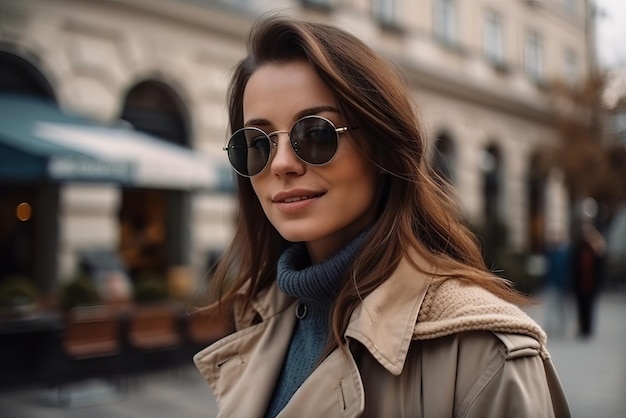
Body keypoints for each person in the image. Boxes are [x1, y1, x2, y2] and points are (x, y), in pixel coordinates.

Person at [193, 15, 570, 417]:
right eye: (256, 142)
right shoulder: (258, 318)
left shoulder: (484, 352)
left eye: (315, 133)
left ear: (383, 148)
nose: (282, 163)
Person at [571, 220, 606, 337]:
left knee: (589, 308)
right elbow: (574, 269)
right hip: (580, 285)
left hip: (591, 285)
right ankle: (582, 328)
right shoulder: (578, 251)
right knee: (580, 308)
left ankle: (588, 328)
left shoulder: (596, 254)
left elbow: (600, 269)